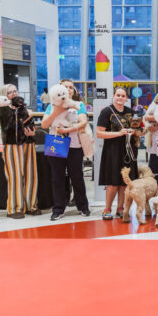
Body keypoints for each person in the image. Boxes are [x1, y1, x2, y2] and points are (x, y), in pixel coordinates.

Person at [41, 80, 90, 221]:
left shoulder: (78, 105)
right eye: (65, 87)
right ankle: (58, 208)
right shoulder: (51, 106)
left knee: (77, 177)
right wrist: (57, 111)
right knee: (57, 178)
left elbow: (83, 122)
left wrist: (69, 129)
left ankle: (82, 206)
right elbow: (44, 124)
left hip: (74, 146)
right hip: (56, 145)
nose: (68, 89)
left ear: (74, 91)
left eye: (71, 87)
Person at [96, 87, 142, 220]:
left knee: (125, 181)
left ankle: (121, 208)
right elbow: (99, 133)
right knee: (112, 182)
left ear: (126, 98)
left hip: (129, 150)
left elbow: (139, 130)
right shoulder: (106, 111)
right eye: (118, 95)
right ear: (113, 96)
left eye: (123, 96)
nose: (120, 98)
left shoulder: (131, 112)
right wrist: (119, 133)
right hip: (112, 150)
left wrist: (135, 131)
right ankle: (107, 208)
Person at [0, 84, 39, 218]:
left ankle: (31, 205)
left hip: (28, 143)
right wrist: (27, 116)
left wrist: (33, 132)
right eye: (10, 92)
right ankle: (14, 208)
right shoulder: (4, 109)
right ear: (4, 95)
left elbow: (30, 125)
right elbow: (11, 126)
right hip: (12, 145)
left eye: (15, 91)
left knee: (31, 175)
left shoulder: (23, 107)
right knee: (15, 176)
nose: (14, 94)